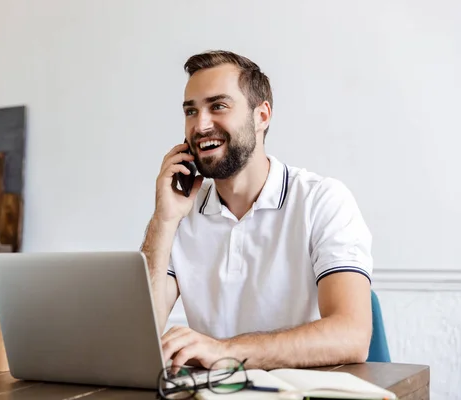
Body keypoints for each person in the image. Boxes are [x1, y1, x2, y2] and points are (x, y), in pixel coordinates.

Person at [140, 50, 373, 371]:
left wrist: (224, 351)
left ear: (262, 115)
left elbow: (352, 334)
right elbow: (139, 336)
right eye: (191, 111)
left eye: (218, 106)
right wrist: (163, 219)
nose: (201, 124)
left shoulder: (323, 200)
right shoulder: (181, 213)